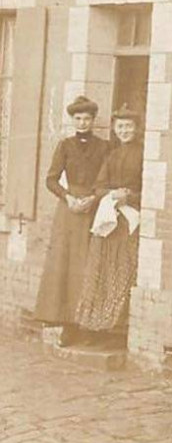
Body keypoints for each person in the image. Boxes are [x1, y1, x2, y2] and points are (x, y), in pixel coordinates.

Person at [34, 96, 112, 347]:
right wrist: (67, 197)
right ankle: (68, 327)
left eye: (87, 118)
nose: (82, 123)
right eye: (78, 119)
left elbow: (107, 179)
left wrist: (92, 198)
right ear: (73, 120)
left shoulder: (104, 147)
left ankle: (88, 326)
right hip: (68, 212)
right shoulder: (65, 146)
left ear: (93, 121)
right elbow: (51, 179)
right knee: (66, 266)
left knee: (89, 266)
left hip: (93, 208)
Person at [75, 104, 143, 350]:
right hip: (108, 220)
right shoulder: (112, 155)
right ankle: (96, 329)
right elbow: (98, 187)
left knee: (121, 272)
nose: (124, 131)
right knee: (100, 272)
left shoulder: (144, 154)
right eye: (120, 127)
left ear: (136, 129)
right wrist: (112, 194)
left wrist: (131, 197)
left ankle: (117, 332)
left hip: (128, 223)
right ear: (115, 129)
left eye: (128, 126)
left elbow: (151, 192)